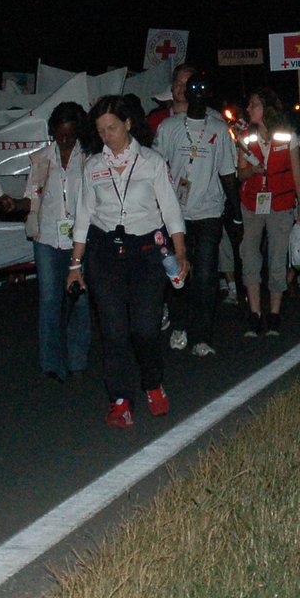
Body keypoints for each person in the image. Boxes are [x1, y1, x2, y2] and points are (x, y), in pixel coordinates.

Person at [66, 94, 188, 427]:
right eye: (101, 130)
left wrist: (180, 252)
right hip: (105, 256)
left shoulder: (151, 162)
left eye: (112, 128)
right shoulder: (92, 167)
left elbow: (170, 209)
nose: (107, 136)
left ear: (128, 124)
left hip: (146, 255)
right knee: (114, 331)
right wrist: (75, 266)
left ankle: (152, 382)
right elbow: (82, 218)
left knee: (145, 330)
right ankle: (120, 399)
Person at [0, 102, 91, 381]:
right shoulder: (41, 159)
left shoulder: (88, 158)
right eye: (60, 134)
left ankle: (77, 360)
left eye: (70, 135)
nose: (65, 140)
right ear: (53, 131)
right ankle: (51, 362)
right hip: (47, 238)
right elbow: (32, 197)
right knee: (50, 300)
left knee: (79, 300)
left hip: (80, 239)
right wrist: (14, 204)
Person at [154, 70, 237, 356]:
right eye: (194, 89)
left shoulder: (218, 128)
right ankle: (179, 325)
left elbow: (227, 172)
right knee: (177, 272)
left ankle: (202, 336)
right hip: (176, 214)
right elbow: (156, 169)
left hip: (209, 213)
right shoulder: (168, 127)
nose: (198, 94)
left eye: (204, 89)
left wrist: (235, 211)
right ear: (186, 94)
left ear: (209, 95)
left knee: (204, 276)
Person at [234, 87, 300, 337]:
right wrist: (251, 171)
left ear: (266, 108)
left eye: (254, 104)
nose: (249, 109)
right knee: (250, 256)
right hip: (252, 205)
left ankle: (274, 314)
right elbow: (240, 172)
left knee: (278, 258)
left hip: (281, 205)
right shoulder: (245, 137)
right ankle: (254, 314)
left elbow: (297, 173)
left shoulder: (287, 136)